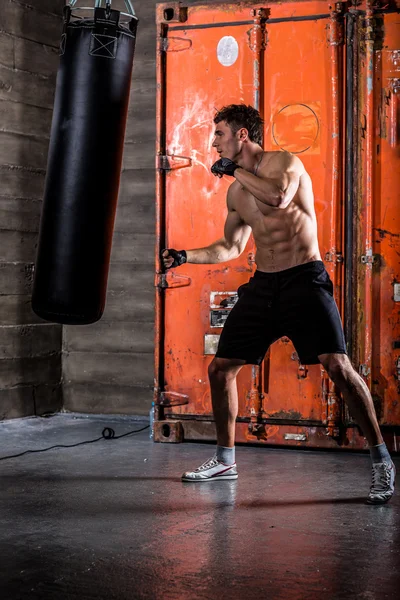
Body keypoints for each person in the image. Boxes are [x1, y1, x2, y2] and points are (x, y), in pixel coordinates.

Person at [161, 104, 395, 504]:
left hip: (305, 279)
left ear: (242, 136)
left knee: (338, 366)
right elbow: (231, 246)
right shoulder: (236, 193)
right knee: (220, 368)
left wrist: (233, 170)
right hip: (265, 285)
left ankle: (381, 461)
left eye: (219, 134)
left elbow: (278, 197)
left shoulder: (283, 162)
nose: (214, 142)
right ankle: (225, 459)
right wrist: (185, 256)